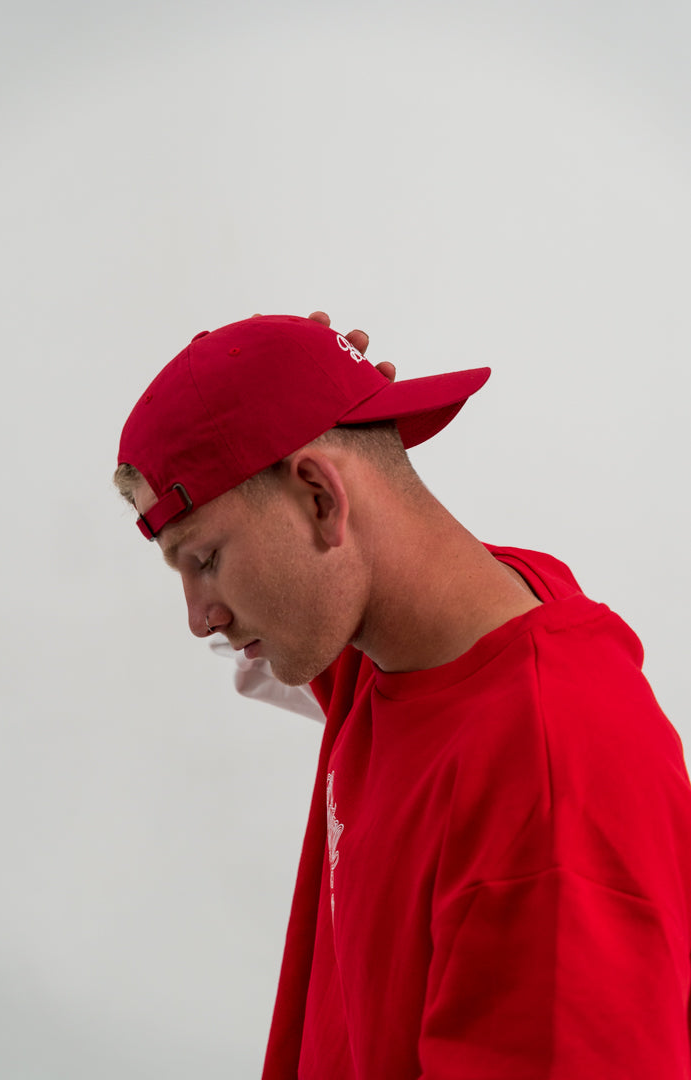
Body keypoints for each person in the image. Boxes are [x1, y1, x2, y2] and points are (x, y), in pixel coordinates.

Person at [115, 312, 691, 1079]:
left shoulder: (547, 787)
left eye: (207, 560)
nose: (199, 619)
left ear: (321, 497)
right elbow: (283, 636)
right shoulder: (398, 643)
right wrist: (286, 374)